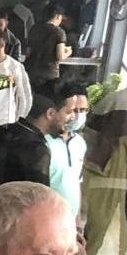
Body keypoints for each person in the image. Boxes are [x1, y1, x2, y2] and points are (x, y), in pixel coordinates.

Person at [33, 82, 90, 224]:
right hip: (46, 222)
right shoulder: (41, 145)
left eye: (83, 110)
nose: (76, 117)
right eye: (72, 111)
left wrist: (77, 224)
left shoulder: (79, 143)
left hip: (68, 224)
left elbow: (77, 184)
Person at [27, 10, 70, 78]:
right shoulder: (59, 32)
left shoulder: (34, 29)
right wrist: (68, 52)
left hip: (31, 71)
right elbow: (60, 56)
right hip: (49, 73)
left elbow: (28, 52)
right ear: (57, 16)